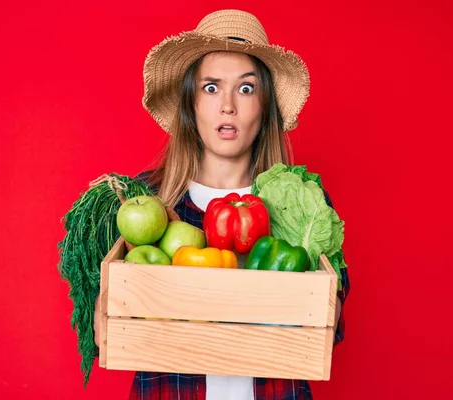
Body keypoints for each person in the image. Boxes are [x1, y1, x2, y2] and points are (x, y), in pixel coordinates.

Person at [96, 9, 350, 399]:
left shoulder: (299, 202)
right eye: (211, 88)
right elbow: (116, 325)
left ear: (264, 109)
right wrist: (107, 306)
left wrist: (324, 308)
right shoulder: (146, 201)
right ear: (190, 105)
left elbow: (330, 324)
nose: (227, 105)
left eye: (246, 89)